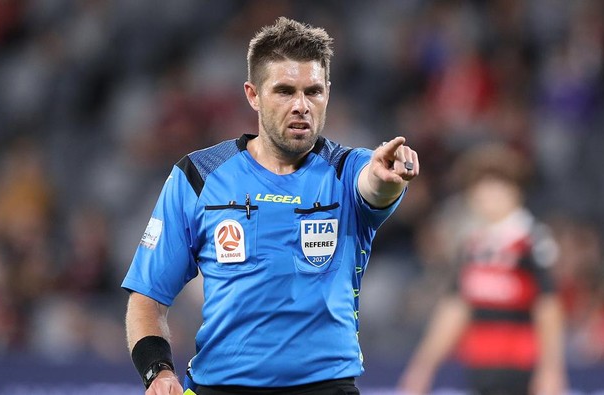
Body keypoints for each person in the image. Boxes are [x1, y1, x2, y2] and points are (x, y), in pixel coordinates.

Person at [122, 17, 419, 395]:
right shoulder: (198, 175)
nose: (301, 106)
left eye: (313, 91)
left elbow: (374, 187)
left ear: (328, 92)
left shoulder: (349, 169)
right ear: (253, 95)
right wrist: (158, 371)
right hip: (219, 386)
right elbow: (148, 294)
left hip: (325, 387)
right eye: (284, 91)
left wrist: (386, 176)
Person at [398, 143, 565, 395]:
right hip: (480, 368)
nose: (486, 197)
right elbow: (456, 306)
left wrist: (551, 370)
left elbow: (548, 307)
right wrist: (423, 366)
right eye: (480, 189)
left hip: (522, 369)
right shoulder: (474, 246)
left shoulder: (532, 241)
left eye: (496, 188)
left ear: (515, 192)